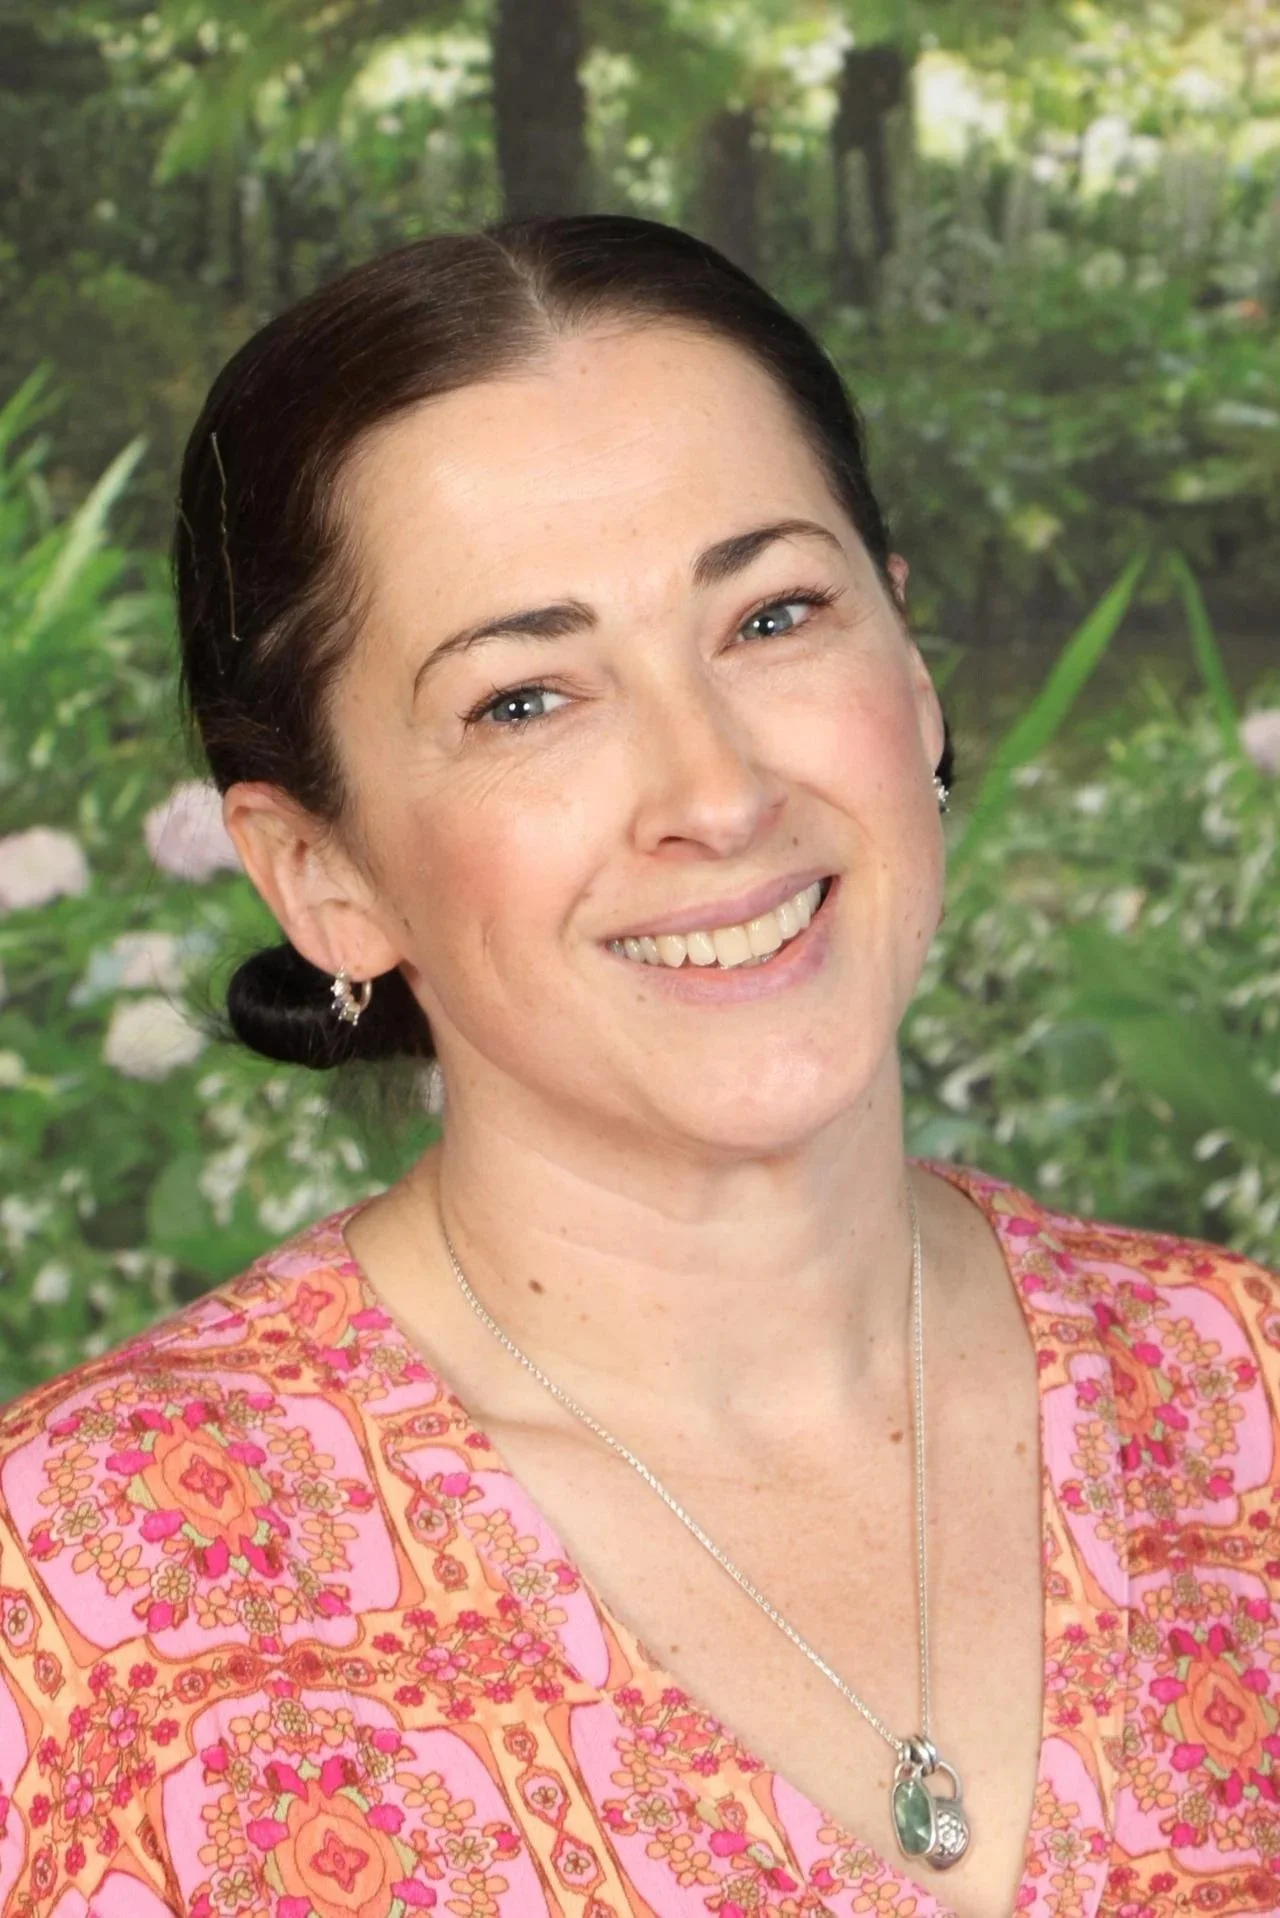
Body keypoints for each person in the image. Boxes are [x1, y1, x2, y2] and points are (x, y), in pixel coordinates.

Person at [1, 215, 1277, 1918]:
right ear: (323, 873)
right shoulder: (78, 1606)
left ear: (909, 676)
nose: (717, 792)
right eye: (527, 699)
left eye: (773, 615)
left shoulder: (1245, 1398)